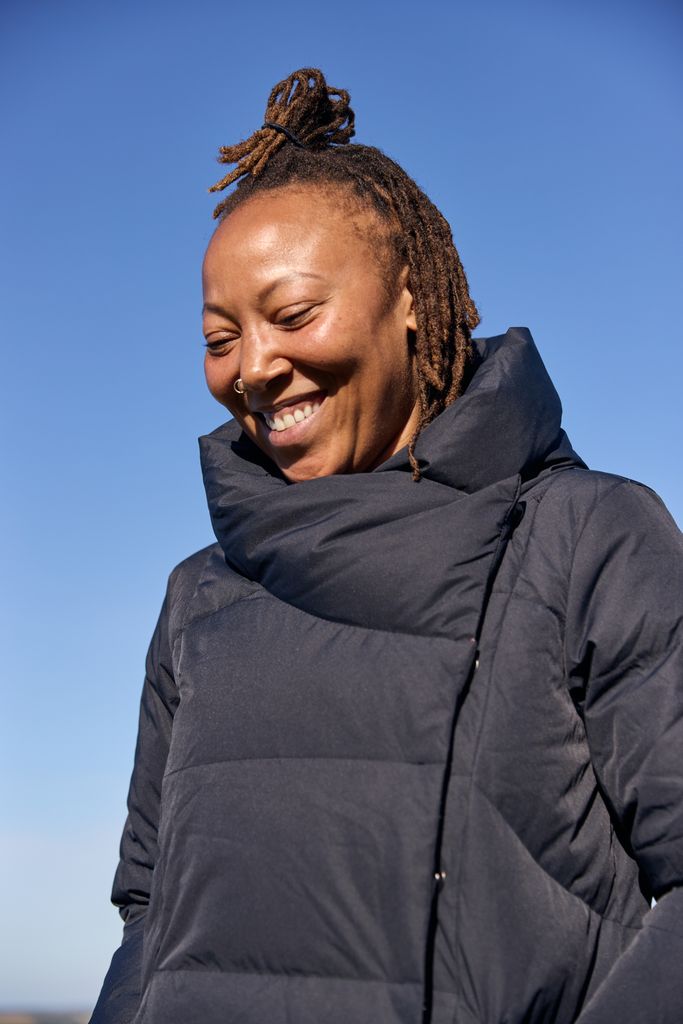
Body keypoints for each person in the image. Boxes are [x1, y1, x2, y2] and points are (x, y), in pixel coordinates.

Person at [90, 68, 683, 1024]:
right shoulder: (197, 596)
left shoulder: (586, 539)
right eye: (217, 337)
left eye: (290, 316)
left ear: (411, 297)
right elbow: (147, 916)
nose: (252, 368)